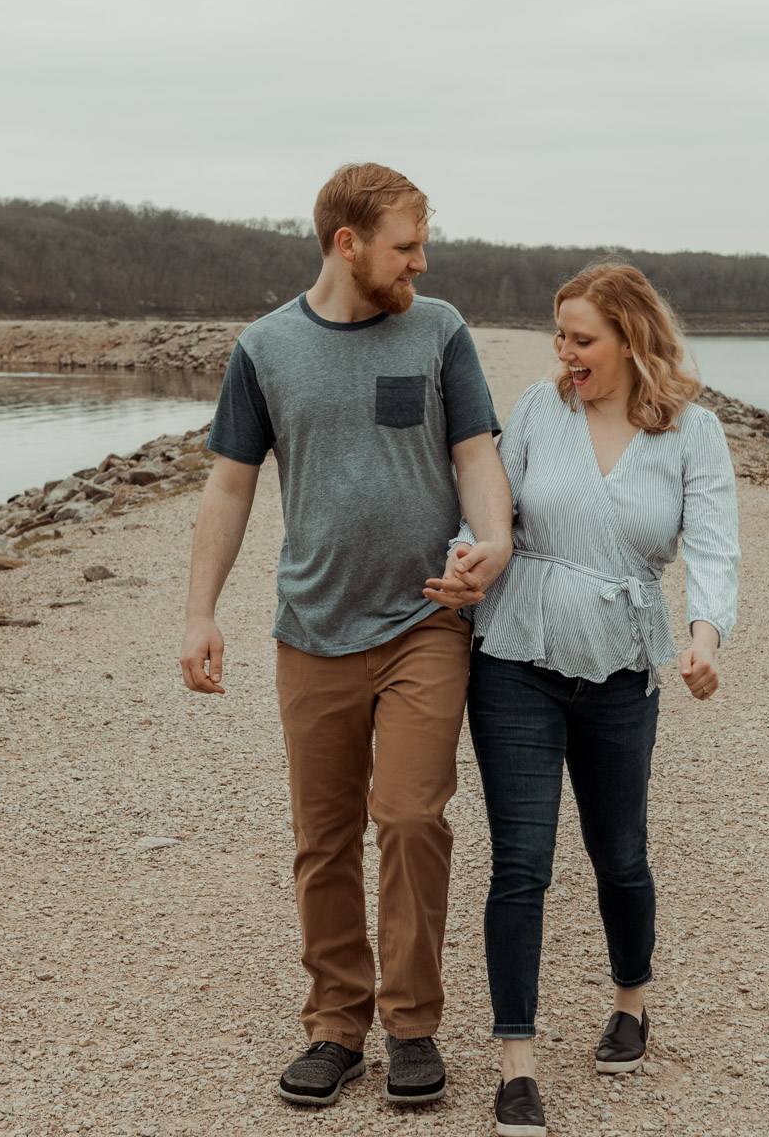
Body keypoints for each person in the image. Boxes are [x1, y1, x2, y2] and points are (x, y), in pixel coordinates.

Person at [179, 163, 513, 1109]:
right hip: (313, 628)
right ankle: (336, 1024)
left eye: (422, 245)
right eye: (406, 245)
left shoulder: (440, 330)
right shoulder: (265, 349)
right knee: (323, 838)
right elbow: (231, 485)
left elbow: (476, 454)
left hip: (425, 621)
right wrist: (201, 611)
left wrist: (493, 540)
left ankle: (412, 1025)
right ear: (347, 244)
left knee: (409, 817)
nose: (420, 260)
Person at [423, 262, 740, 1137]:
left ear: (632, 339)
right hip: (515, 660)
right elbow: (492, 517)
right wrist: (466, 561)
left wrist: (704, 639)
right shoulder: (537, 409)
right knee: (521, 862)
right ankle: (516, 1062)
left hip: (622, 673)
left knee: (620, 855)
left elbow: (714, 549)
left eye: (582, 339)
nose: (565, 355)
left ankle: (631, 1002)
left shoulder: (692, 433)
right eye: (559, 336)